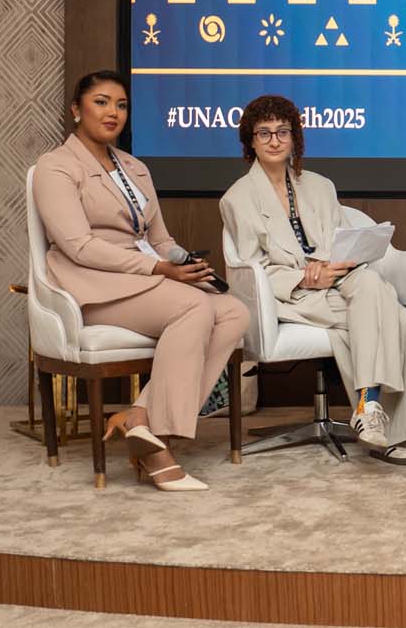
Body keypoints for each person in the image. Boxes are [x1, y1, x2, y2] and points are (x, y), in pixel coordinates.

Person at [32, 70, 249, 491]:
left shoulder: (135, 167)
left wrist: (186, 265)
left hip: (145, 279)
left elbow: (159, 239)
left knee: (234, 311)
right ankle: (158, 452)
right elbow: (78, 246)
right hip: (92, 282)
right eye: (100, 102)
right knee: (193, 306)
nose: (112, 112)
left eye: (121, 105)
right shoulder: (55, 167)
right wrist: (160, 270)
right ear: (76, 109)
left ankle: (140, 418)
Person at [220, 95, 406, 464]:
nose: (274, 140)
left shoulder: (320, 185)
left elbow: (341, 240)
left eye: (282, 132)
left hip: (338, 279)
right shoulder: (237, 199)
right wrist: (303, 278)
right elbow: (253, 268)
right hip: (291, 294)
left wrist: (330, 264)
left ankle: (367, 408)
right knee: (385, 312)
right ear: (250, 140)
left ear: (294, 138)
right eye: (264, 133)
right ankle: (381, 421)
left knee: (372, 285)